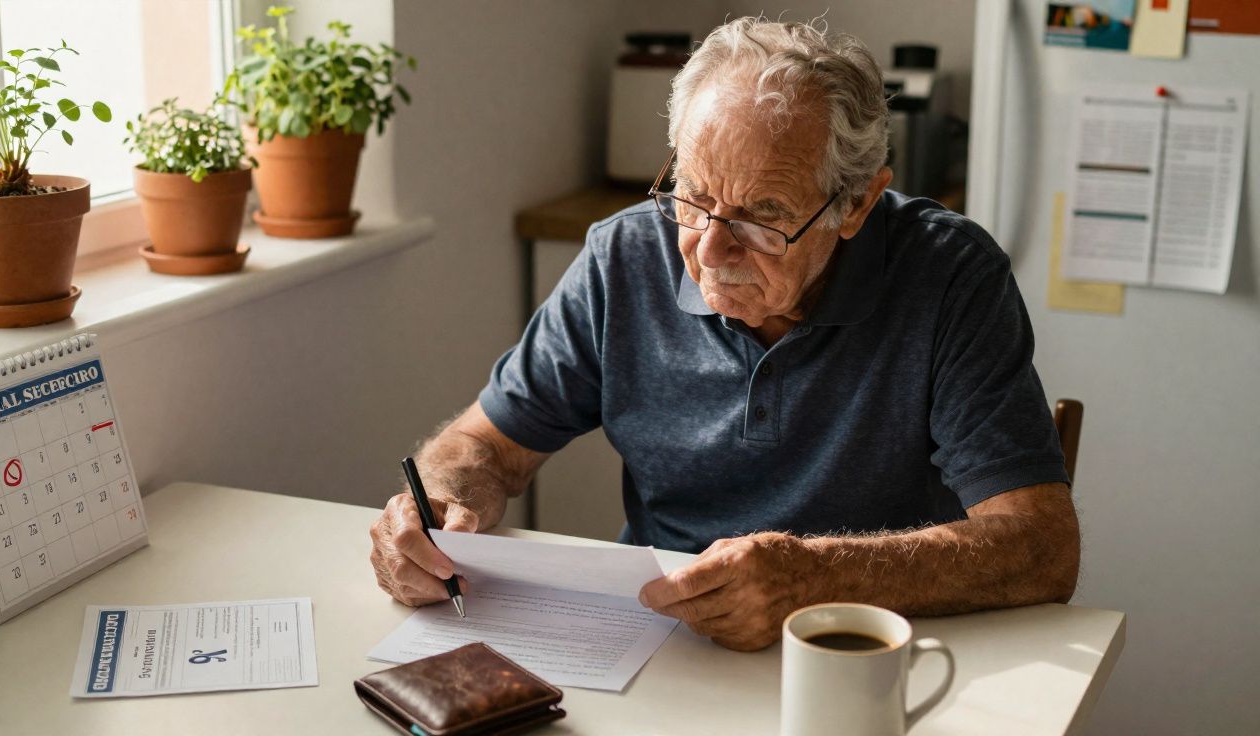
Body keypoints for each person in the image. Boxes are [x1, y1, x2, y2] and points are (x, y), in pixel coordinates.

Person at [370, 17, 1079, 652]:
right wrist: (435, 505)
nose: (709, 249)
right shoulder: (626, 258)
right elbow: (483, 448)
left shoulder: (950, 276)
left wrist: (816, 579)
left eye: (762, 215)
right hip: (661, 640)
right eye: (692, 196)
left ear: (856, 203)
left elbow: (1041, 546)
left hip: (871, 652)